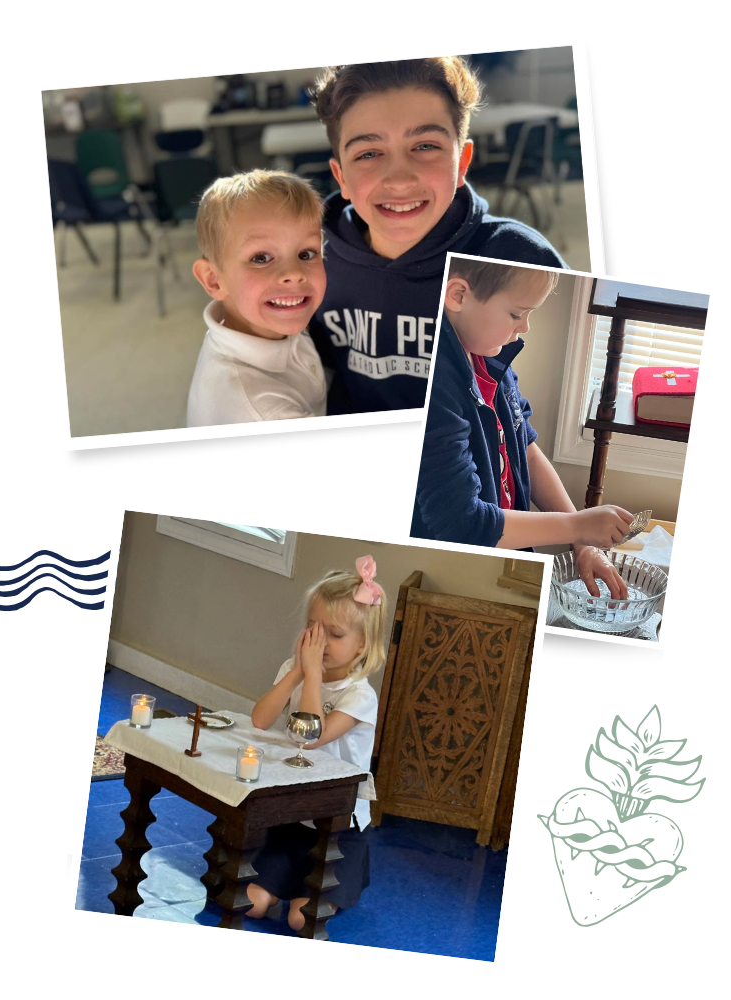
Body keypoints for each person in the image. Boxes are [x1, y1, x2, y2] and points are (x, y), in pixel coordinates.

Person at [308, 57, 568, 415]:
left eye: (425, 146)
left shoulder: (518, 257)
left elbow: (505, 399)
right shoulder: (311, 262)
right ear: (341, 178)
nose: (399, 179)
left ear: (461, 162)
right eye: (369, 153)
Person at [410, 258, 633, 599]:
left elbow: (525, 449)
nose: (525, 327)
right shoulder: (433, 385)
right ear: (457, 295)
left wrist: (581, 540)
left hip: (508, 546)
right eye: (516, 314)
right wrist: (578, 525)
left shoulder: (490, 355)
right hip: (461, 572)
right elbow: (463, 524)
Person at [247, 555, 387, 931]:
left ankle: (332, 884)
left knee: (299, 919)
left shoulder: (359, 696)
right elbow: (260, 720)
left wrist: (311, 675)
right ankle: (279, 877)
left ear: (361, 646)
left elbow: (310, 737)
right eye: (313, 628)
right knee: (252, 903)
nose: (319, 642)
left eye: (335, 634)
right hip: (293, 816)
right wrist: (296, 671)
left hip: (337, 828)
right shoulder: (296, 672)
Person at [186, 170, 328, 426]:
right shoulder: (263, 411)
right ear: (214, 280)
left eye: (307, 254)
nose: (294, 274)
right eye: (260, 258)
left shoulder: (266, 321)